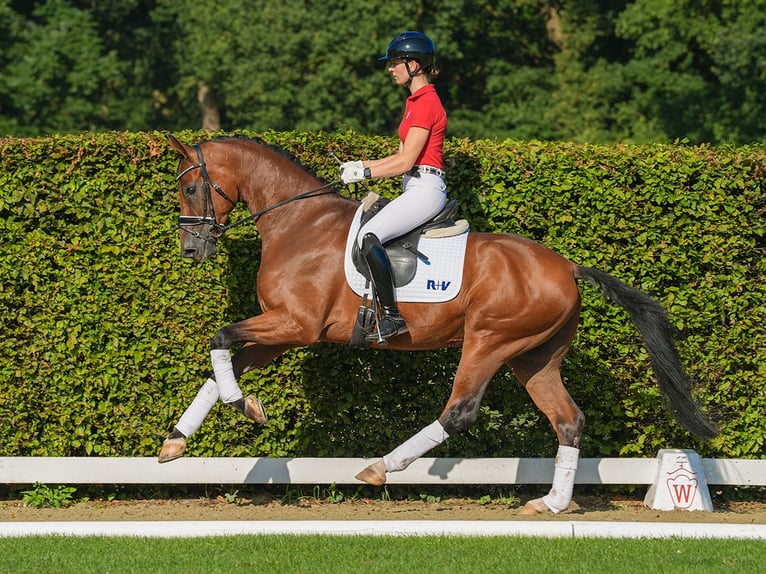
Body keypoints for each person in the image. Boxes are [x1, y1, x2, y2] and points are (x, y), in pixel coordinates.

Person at [340, 31, 448, 341]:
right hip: (414, 185)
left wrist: (366, 174)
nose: (391, 68)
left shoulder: (427, 102)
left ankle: (391, 317)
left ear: (414, 65)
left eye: (395, 63)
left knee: (368, 235)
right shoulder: (415, 101)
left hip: (425, 187)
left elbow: (406, 161)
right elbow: (400, 156)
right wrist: (362, 166)